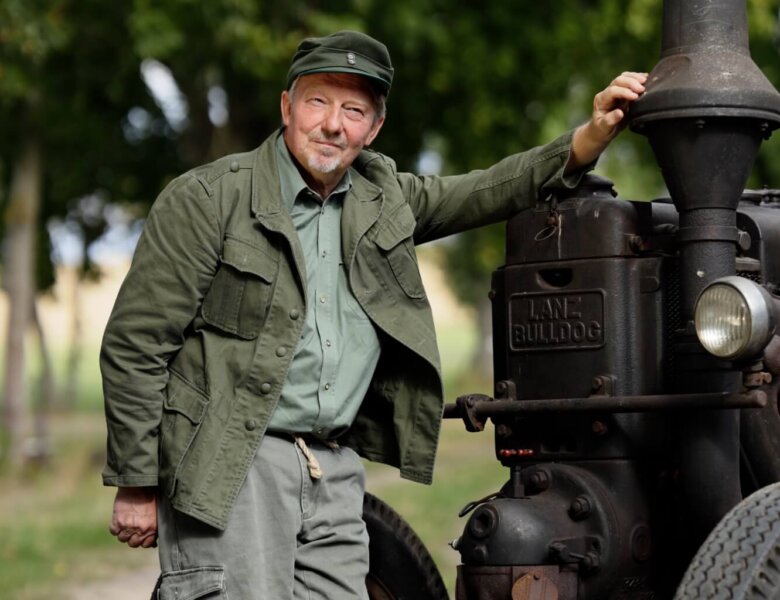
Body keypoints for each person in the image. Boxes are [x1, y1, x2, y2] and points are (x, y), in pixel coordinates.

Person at [101, 30, 647, 599]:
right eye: (318, 102)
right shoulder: (208, 198)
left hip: (332, 468)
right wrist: (138, 481)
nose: (334, 124)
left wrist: (588, 139)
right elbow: (137, 343)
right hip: (235, 461)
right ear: (287, 107)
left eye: (354, 110)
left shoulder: (382, 198)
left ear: (374, 128)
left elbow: (487, 189)